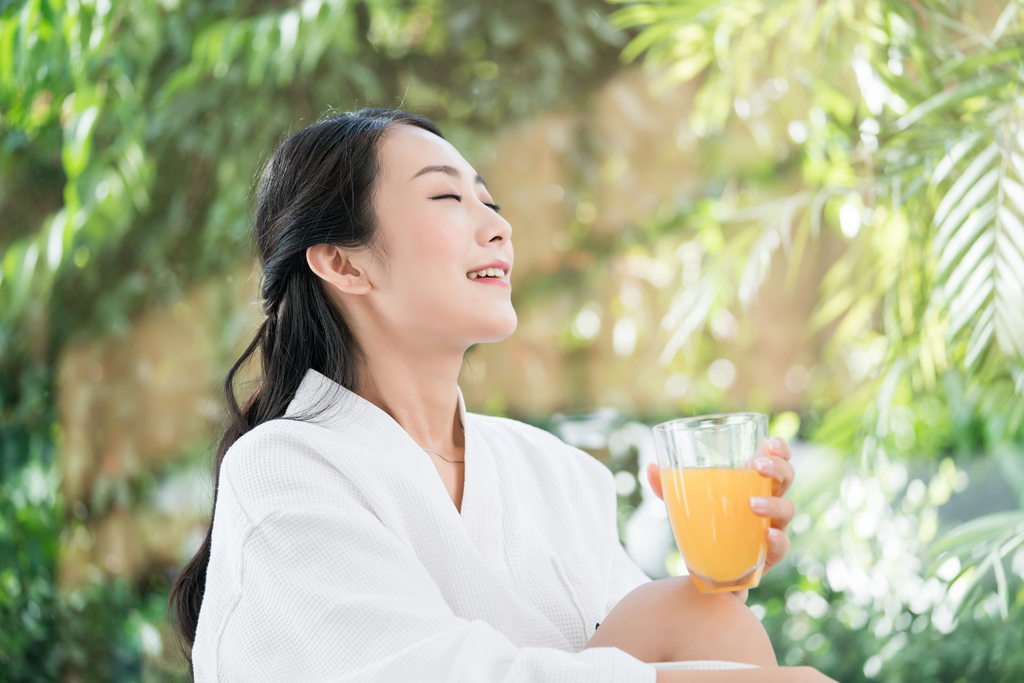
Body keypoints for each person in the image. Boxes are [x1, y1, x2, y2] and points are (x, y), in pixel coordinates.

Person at [168, 108, 835, 683]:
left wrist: (720, 569)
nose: (497, 227)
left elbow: (692, 650)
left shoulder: (556, 472)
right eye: (447, 199)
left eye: (490, 202)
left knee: (709, 614)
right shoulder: (286, 467)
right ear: (343, 261)